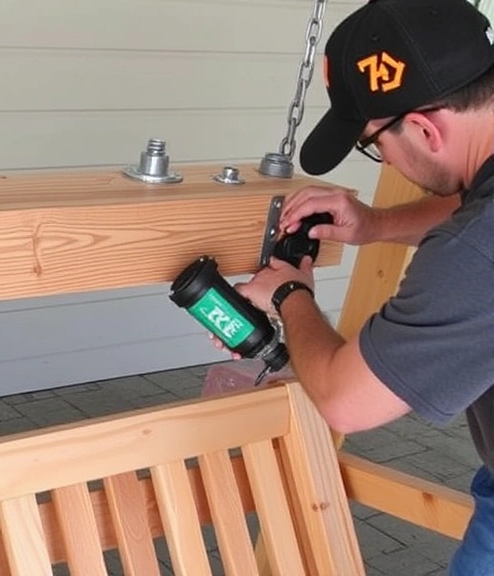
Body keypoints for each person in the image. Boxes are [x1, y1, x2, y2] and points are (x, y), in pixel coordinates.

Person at [218, 0, 494, 571]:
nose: (383, 162)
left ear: (422, 128)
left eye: (374, 144)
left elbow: (348, 402)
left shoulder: (476, 250)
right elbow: (469, 210)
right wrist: (376, 225)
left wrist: (290, 296)